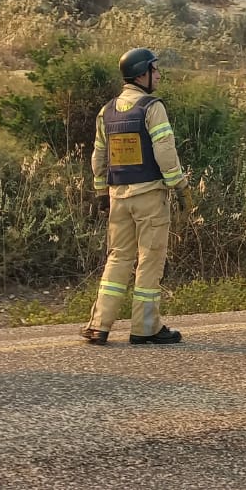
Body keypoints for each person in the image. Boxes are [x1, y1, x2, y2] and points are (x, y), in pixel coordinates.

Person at [81, 47, 188, 345]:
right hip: (149, 196)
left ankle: (98, 326)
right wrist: (179, 186)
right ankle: (146, 328)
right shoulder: (152, 107)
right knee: (150, 260)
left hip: (118, 197)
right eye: (155, 69)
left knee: (118, 258)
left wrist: (100, 191)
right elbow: (165, 150)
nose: (159, 75)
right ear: (142, 74)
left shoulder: (107, 111)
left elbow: (98, 156)